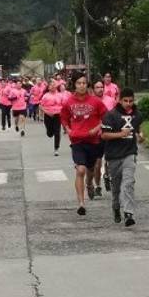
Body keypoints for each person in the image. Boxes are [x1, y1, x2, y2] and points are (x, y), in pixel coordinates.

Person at [60, 72, 107, 216]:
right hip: (77, 141)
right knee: (80, 170)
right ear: (74, 84)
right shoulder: (69, 102)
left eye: (84, 83)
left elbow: (105, 118)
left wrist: (97, 128)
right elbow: (64, 118)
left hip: (93, 141)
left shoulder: (96, 101)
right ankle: (81, 203)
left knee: (91, 170)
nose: (82, 86)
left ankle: (89, 184)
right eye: (79, 83)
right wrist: (68, 130)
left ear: (87, 85)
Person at [101, 87, 145, 227]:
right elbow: (104, 135)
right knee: (116, 187)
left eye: (131, 101)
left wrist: (141, 136)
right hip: (113, 155)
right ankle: (116, 207)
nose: (128, 103)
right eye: (125, 101)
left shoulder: (137, 114)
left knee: (128, 182)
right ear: (119, 100)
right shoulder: (111, 115)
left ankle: (128, 213)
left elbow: (138, 130)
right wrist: (120, 134)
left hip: (129, 153)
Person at [90, 80, 108, 198]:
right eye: (97, 87)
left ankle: (107, 175)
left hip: (110, 135)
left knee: (112, 160)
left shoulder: (110, 100)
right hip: (96, 136)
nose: (100, 89)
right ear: (93, 89)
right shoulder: (89, 102)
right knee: (97, 163)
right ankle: (97, 186)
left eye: (102, 87)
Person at [41, 80, 64, 156]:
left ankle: (56, 149)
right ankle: (49, 132)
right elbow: (41, 106)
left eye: (54, 85)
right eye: (51, 85)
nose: (53, 86)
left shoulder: (60, 95)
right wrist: (47, 112)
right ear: (48, 87)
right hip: (48, 115)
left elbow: (64, 105)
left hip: (57, 115)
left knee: (57, 132)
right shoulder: (45, 96)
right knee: (50, 134)